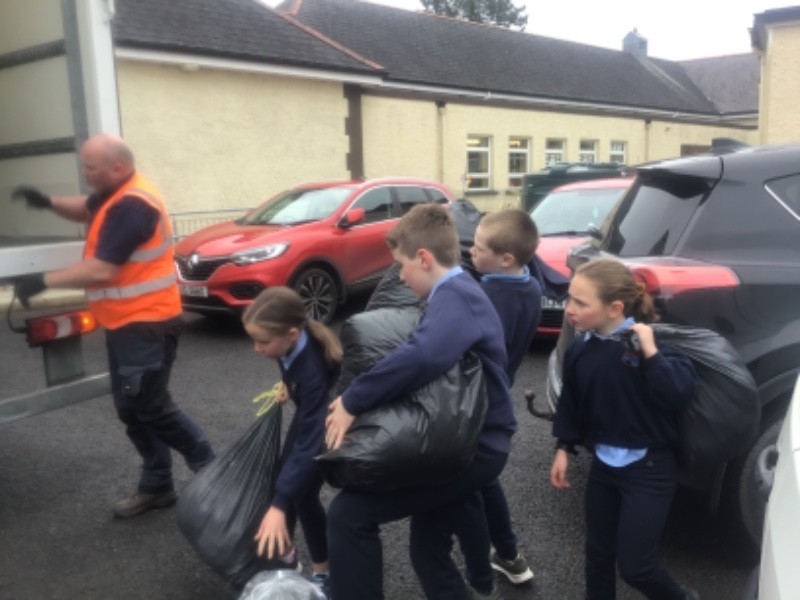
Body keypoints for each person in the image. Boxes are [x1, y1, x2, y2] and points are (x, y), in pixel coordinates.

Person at [10, 133, 215, 518]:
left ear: (117, 167)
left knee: (152, 407)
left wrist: (43, 280)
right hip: (126, 324)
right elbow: (86, 208)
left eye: (90, 167)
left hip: (148, 325)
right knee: (131, 409)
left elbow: (102, 269)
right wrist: (46, 201)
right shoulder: (114, 193)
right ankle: (157, 485)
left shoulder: (133, 205)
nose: (84, 173)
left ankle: (215, 475)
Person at [325, 203, 516, 600]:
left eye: (402, 265)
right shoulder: (457, 292)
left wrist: (352, 401)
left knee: (349, 515)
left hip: (473, 449)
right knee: (428, 551)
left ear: (425, 258)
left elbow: (423, 355)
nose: (399, 275)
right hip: (468, 442)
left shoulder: (458, 296)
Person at [550, 258, 700, 600]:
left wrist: (651, 354)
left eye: (580, 302)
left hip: (649, 468)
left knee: (636, 568)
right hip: (604, 468)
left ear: (615, 308)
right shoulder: (581, 348)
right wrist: (563, 447)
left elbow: (678, 395)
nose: (569, 308)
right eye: (569, 298)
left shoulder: (654, 345)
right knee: (597, 555)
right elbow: (572, 402)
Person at [456, 208, 542, 587]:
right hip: (500, 392)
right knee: (485, 480)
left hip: (478, 402)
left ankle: (481, 576)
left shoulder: (489, 296)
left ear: (506, 258)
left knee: (469, 487)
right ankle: (507, 554)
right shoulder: (530, 285)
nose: (471, 252)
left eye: (478, 247)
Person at [244, 287, 342, 594]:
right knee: (285, 480)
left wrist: (279, 505)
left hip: (327, 421)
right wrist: (287, 383)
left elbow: (310, 443)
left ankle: (325, 572)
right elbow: (287, 362)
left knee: (301, 493)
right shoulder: (290, 342)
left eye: (263, 341)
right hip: (311, 412)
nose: (257, 348)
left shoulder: (312, 372)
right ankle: (284, 556)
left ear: (291, 334)